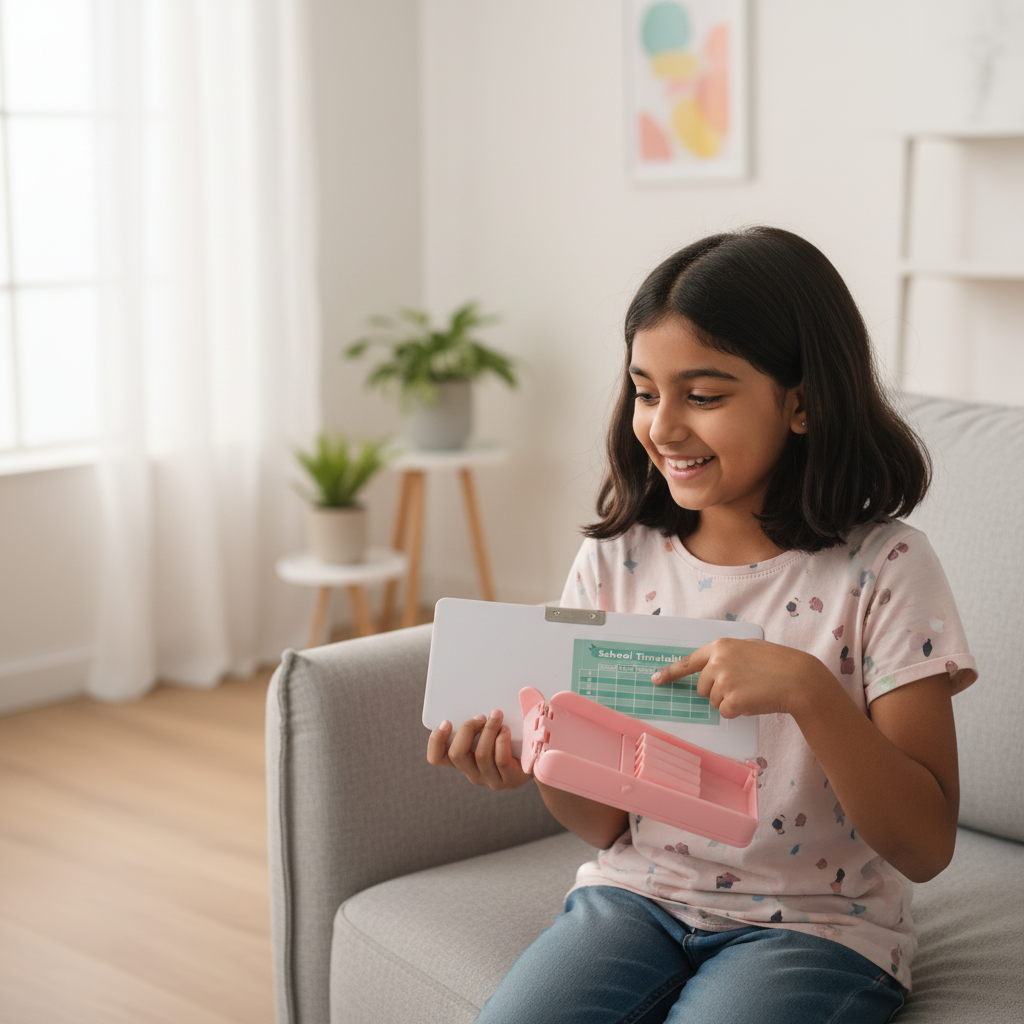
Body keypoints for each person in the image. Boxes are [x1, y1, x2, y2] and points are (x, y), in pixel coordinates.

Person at [426, 226, 976, 1024]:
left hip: (818, 931)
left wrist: (810, 692)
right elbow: (606, 825)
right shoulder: (618, 561)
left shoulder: (886, 569)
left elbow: (925, 848)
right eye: (646, 391)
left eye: (704, 395)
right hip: (634, 902)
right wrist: (540, 762)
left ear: (802, 402)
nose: (664, 426)